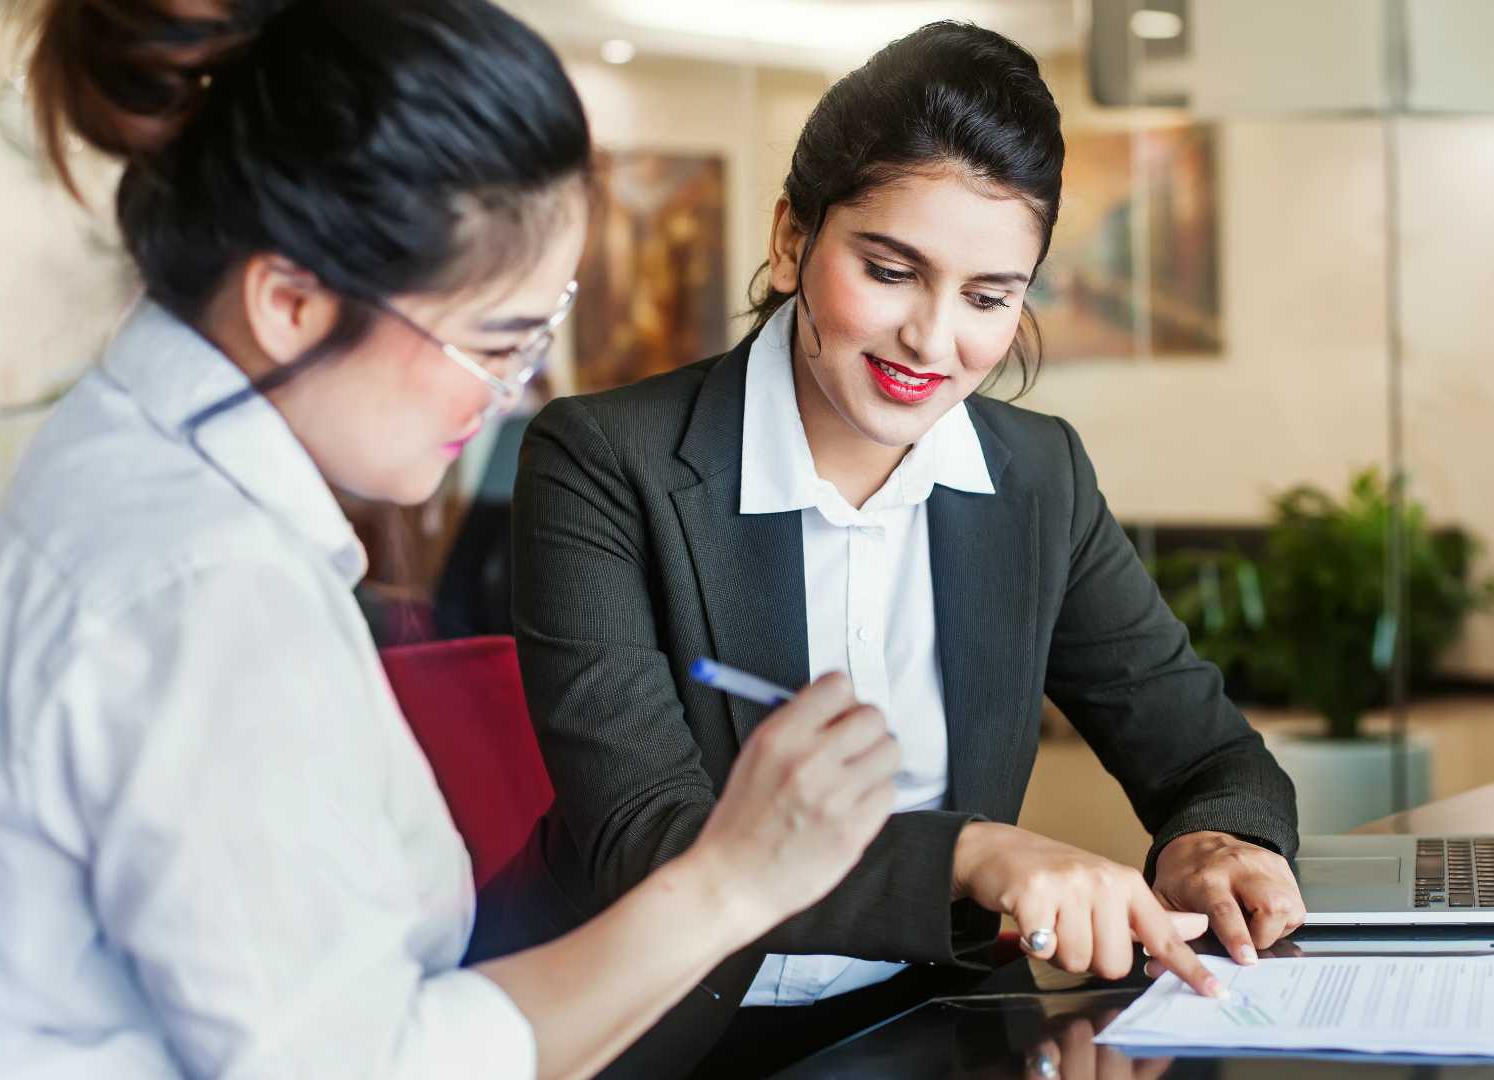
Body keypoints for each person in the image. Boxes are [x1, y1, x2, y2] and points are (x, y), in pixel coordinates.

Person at [0, 2, 898, 1077]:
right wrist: (733, 880)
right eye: (493, 343)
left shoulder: (130, 457)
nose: (513, 396)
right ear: (289, 301)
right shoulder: (206, 594)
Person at [504, 21, 1307, 1077]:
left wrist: (1213, 841)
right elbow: (651, 838)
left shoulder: (1037, 479)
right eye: (891, 270)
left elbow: (1208, 754)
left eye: (989, 297)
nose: (934, 342)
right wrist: (976, 855)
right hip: (646, 1029)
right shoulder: (606, 460)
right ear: (793, 239)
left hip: (932, 1023)